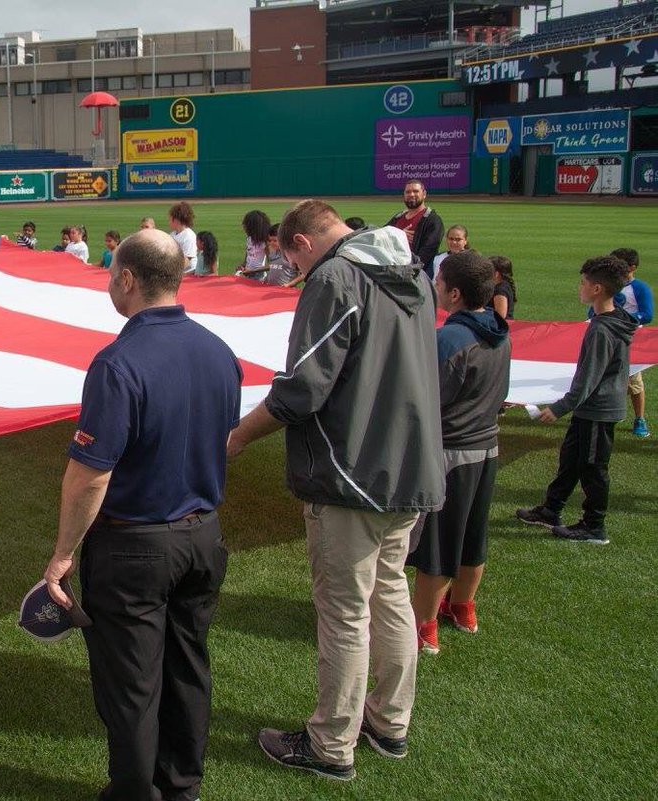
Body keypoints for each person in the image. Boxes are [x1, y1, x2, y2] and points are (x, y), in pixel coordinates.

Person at [228, 200, 444, 781]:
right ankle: (389, 722)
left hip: (352, 474)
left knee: (346, 613)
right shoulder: (412, 268)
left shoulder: (335, 277)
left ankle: (330, 743)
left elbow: (302, 388)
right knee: (390, 595)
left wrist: (238, 437)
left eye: (289, 257)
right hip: (411, 467)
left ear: (299, 243)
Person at [42, 229, 240, 801]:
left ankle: (134, 792)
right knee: (187, 667)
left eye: (112, 275)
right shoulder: (218, 351)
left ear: (127, 279)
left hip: (134, 546)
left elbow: (91, 473)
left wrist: (62, 554)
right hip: (202, 536)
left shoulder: (118, 363)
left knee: (131, 685)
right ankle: (181, 785)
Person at [407, 250, 511, 654]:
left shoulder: (449, 338)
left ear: (452, 293)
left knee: (437, 544)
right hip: (486, 447)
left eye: (436, 284)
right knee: (472, 535)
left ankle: (423, 625)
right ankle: (463, 607)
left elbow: (426, 399)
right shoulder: (499, 331)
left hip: (451, 453)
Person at [516, 256, 637, 545]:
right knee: (570, 461)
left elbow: (588, 380)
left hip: (599, 411)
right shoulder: (615, 319)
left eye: (583, 282)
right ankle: (551, 509)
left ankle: (594, 526)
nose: (579, 287)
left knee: (593, 468)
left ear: (596, 289)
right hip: (590, 409)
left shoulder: (601, 329)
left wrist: (558, 408)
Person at [607, 247, 651, 437]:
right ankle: (610, 411)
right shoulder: (608, 284)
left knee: (634, 380)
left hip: (630, 340)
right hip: (608, 337)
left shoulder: (639, 288)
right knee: (606, 375)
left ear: (632, 267)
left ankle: (639, 418)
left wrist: (622, 318)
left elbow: (647, 314)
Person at [387, 180, 443, 280]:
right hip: (392, 270)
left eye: (416, 191)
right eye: (408, 192)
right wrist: (399, 234)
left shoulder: (432, 220)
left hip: (414, 275)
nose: (411, 194)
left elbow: (428, 250)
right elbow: (380, 236)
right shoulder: (398, 217)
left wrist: (410, 271)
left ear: (424, 194)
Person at [235, 209, 271, 278]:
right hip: (248, 274)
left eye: (246, 225)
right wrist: (242, 266)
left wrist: (253, 271)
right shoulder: (249, 239)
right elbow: (247, 258)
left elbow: (272, 265)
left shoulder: (265, 242)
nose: (243, 227)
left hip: (259, 276)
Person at [168, 202, 197, 270]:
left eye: (169, 219)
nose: (168, 222)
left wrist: (173, 273)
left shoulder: (189, 236)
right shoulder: (172, 235)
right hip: (177, 270)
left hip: (189, 274)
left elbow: (187, 260)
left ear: (175, 220)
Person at [488, 255, 516, 320]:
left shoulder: (500, 290)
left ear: (496, 274)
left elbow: (500, 316)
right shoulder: (504, 285)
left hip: (500, 328)